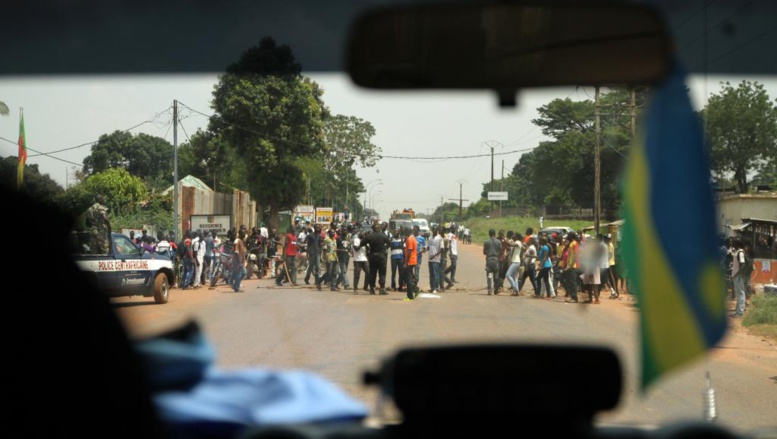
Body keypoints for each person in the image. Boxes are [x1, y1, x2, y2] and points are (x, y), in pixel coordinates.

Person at [361, 223, 391, 295]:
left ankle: (372, 289)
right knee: (382, 272)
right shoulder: (383, 235)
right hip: (381, 256)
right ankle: (382, 288)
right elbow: (389, 244)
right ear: (379, 229)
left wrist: (367, 247)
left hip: (372, 256)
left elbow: (362, 243)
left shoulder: (370, 236)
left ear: (373, 229)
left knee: (372, 273)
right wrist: (385, 248)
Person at [483, 228, 502, 296]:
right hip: (496, 260)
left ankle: (489, 290)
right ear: (495, 234)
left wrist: (489, 252)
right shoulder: (499, 242)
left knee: (489, 275)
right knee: (496, 275)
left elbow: (484, 252)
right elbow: (500, 251)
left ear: (489, 234)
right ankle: (496, 289)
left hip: (489, 260)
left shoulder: (486, 242)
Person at [403, 226, 419, 301]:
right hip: (412, 260)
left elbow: (409, 251)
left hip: (410, 261)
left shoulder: (410, 239)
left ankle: (410, 296)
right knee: (409, 278)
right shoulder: (412, 238)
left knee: (408, 279)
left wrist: (406, 262)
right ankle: (415, 289)